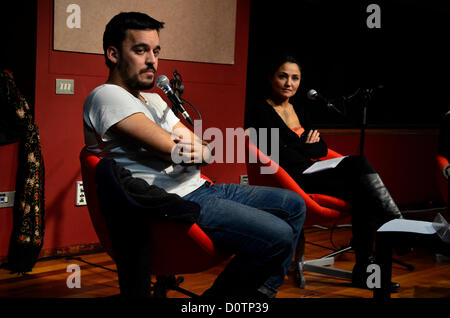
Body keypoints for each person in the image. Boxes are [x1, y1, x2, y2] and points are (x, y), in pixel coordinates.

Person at [83, 12, 306, 298]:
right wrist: (188, 149)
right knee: (279, 236)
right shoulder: (107, 96)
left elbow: (204, 150)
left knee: (293, 204)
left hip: (202, 187)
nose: (152, 60)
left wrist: (195, 150)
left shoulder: (153, 98)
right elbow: (173, 150)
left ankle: (261, 291)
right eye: (140, 50)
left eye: (156, 51)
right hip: (177, 200)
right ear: (113, 54)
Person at [245, 54, 405, 290]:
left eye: (295, 78)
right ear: (271, 79)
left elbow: (320, 146)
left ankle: (365, 268)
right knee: (359, 170)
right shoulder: (260, 110)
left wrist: (298, 145)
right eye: (283, 76)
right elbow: (278, 153)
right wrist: (303, 144)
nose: (290, 83)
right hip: (290, 178)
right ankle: (397, 230)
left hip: (313, 169)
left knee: (361, 185)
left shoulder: (299, 107)